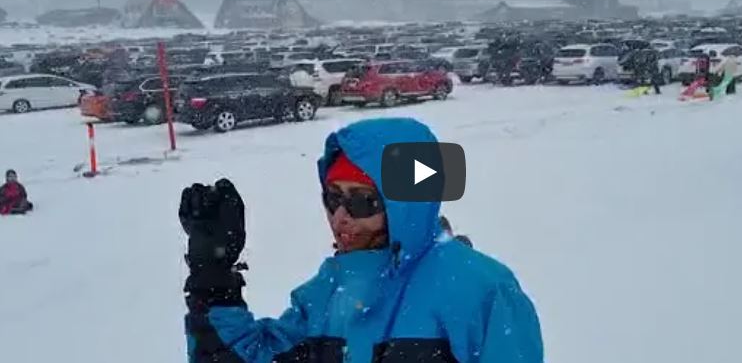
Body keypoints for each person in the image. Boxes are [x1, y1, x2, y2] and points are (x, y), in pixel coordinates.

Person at [180, 117, 543, 363]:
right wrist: (213, 277)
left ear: (404, 204)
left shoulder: (481, 292)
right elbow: (254, 356)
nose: (340, 217)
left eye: (361, 201)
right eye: (333, 198)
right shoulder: (329, 292)